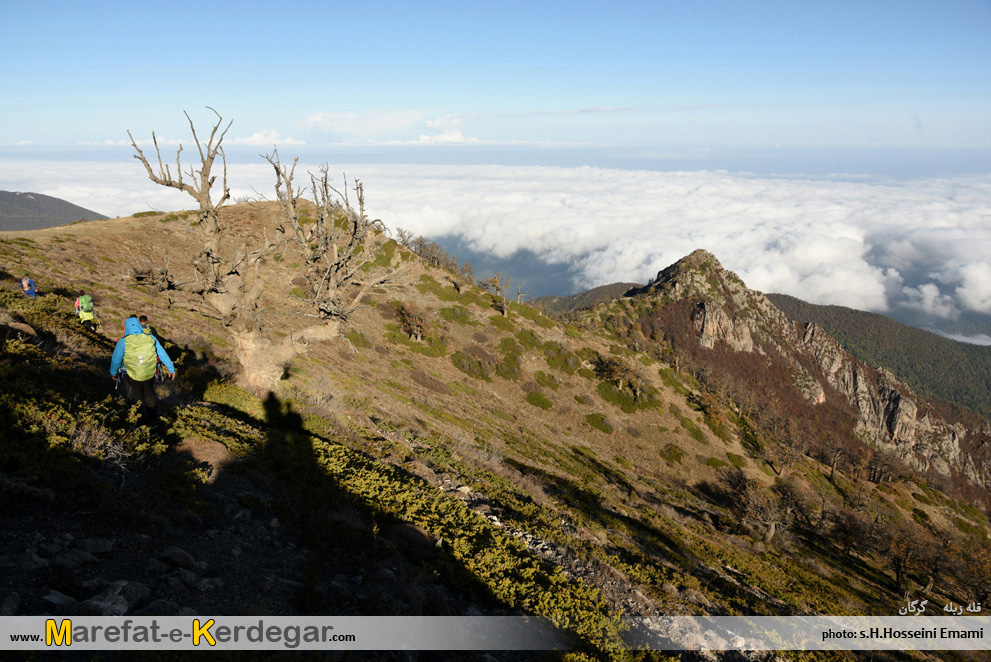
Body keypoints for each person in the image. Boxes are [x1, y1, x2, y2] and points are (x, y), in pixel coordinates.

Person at [109, 316, 176, 423]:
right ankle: (152, 420)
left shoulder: (123, 342)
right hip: (149, 373)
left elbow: (116, 360)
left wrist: (113, 373)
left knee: (135, 397)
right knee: (150, 395)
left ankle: (138, 421)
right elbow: (162, 354)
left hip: (131, 375)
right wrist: (171, 368)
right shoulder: (151, 338)